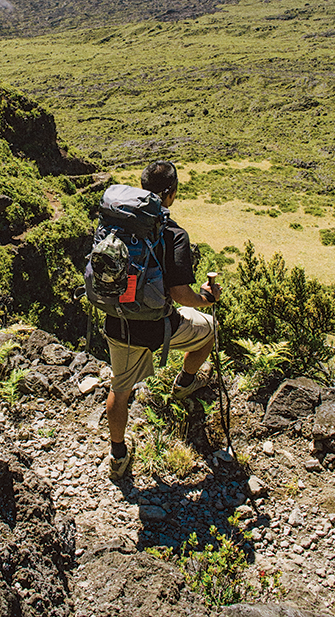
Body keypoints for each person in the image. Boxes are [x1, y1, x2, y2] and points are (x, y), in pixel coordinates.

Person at [104, 160, 221, 480]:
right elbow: (182, 296)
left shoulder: (117, 222)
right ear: (170, 194)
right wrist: (206, 299)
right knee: (209, 329)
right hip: (156, 326)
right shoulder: (173, 234)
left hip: (117, 320)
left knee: (120, 388)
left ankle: (117, 456)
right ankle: (185, 384)